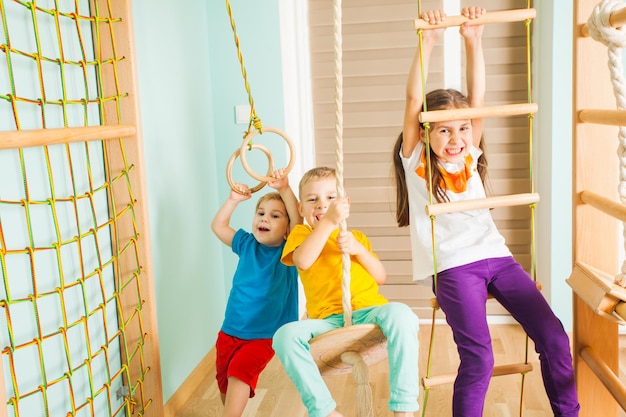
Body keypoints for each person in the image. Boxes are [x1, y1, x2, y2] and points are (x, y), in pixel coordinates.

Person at [392, 7, 580, 417]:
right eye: (444, 129)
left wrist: (473, 40)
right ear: (426, 132)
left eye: (462, 129)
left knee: (554, 338)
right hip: (454, 266)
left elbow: (478, 101)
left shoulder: (469, 156)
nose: (456, 138)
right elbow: (412, 99)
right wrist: (428, 44)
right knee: (480, 360)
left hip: (497, 257)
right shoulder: (418, 162)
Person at [272, 166, 420, 417]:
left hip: (368, 312)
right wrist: (327, 221)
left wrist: (358, 250)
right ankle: (324, 411)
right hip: (327, 322)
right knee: (284, 336)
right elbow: (304, 261)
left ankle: (403, 407)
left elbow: (380, 277)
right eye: (312, 199)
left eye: (331, 198)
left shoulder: (356, 237)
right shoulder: (302, 235)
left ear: (345, 204)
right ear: (301, 209)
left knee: (403, 313)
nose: (322, 205)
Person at [211, 168, 302, 417]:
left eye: (275, 216)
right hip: (230, 331)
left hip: (264, 335)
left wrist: (284, 188)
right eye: (261, 214)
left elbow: (298, 224)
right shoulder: (246, 243)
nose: (264, 219)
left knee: (239, 374)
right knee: (225, 384)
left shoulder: (289, 252)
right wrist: (233, 200)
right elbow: (219, 226)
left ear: (286, 228)